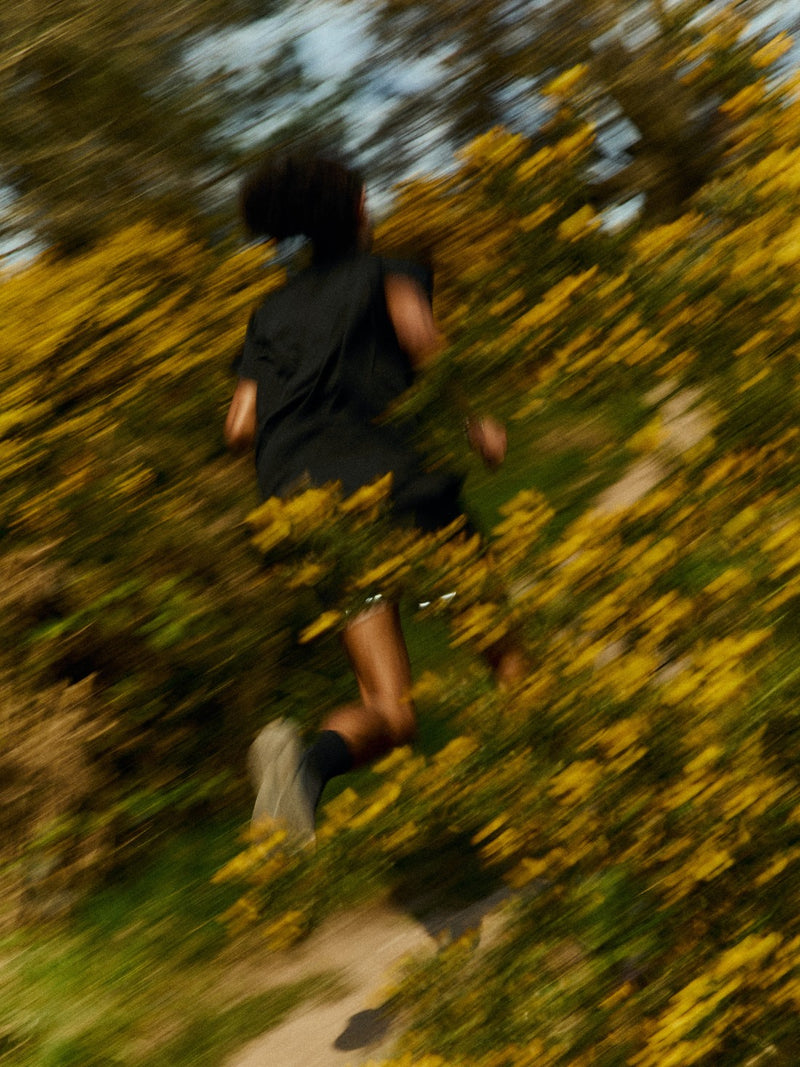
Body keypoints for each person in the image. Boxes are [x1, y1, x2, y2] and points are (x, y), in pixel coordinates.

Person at [224, 153, 515, 845]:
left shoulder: (268, 313)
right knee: (503, 653)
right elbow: (421, 340)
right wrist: (475, 423)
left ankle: (305, 764)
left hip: (316, 516)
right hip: (403, 492)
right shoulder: (391, 271)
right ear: (354, 209)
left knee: (390, 709)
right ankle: (554, 805)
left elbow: (238, 426)